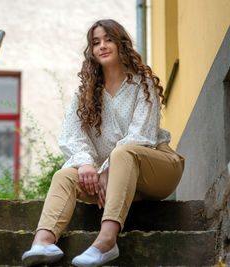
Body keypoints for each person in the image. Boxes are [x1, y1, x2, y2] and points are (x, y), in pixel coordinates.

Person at [21, 19, 185, 267]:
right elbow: (71, 135)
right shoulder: (84, 94)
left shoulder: (142, 83)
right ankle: (43, 241)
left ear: (121, 44)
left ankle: (106, 242)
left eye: (108, 39)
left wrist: (108, 167)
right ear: (91, 51)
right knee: (64, 176)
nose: (102, 46)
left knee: (123, 153)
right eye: (96, 42)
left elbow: (142, 136)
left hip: (158, 170)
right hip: (114, 181)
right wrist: (87, 164)